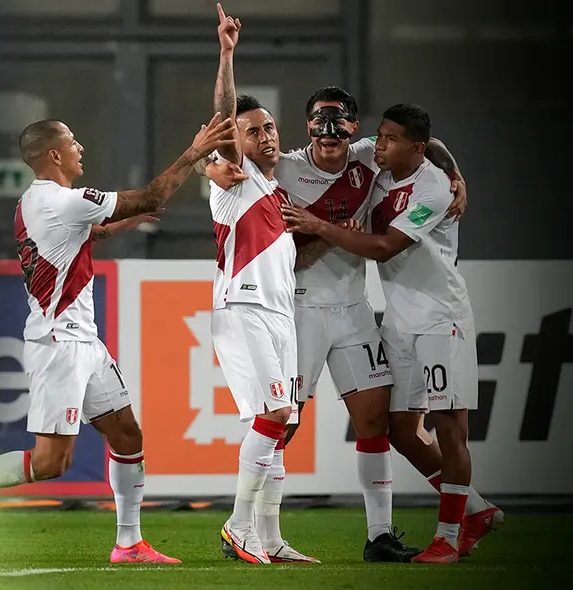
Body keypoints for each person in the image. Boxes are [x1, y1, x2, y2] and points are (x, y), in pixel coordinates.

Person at [204, 84, 502, 560]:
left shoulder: (370, 156)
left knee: (374, 423)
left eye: (338, 126)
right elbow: (288, 252)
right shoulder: (283, 167)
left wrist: (455, 177)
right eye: (320, 127)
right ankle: (265, 535)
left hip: (356, 311)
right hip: (300, 311)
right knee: (284, 424)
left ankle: (379, 536)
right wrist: (211, 167)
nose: (329, 136)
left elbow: (430, 145)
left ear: (353, 130)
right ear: (308, 130)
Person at [0, 112, 237, 564]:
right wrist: (195, 152)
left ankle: (129, 544)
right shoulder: (62, 200)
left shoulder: (36, 202)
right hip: (59, 344)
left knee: (126, 434)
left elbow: (84, 234)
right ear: (54, 155)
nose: (81, 147)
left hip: (85, 343)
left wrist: (118, 225)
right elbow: (152, 196)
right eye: (73, 141)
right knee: (50, 464)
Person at [281, 103, 480, 563]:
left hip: (434, 318)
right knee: (395, 430)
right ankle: (477, 510)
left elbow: (384, 248)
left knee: (447, 427)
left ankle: (438, 536)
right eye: (380, 136)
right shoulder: (373, 161)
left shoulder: (428, 185)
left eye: (390, 139)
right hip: (384, 318)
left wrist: (318, 227)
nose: (380, 145)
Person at [200, 6, 317, 566]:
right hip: (243, 309)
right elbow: (223, 114)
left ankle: (269, 536)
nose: (266, 136)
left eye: (269, 127)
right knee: (272, 418)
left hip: (280, 316)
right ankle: (238, 525)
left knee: (280, 425)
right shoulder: (233, 179)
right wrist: (226, 52)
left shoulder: (274, 191)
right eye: (253, 130)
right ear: (235, 141)